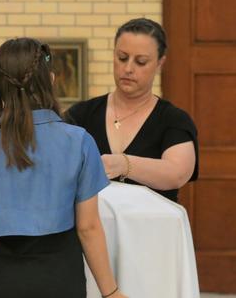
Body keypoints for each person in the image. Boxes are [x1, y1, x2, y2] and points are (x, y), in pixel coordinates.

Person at [0, 38, 127, 298]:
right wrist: (110, 292)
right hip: (62, 279)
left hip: (5, 281)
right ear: (52, 80)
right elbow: (88, 227)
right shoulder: (79, 141)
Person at [65, 18, 199, 202]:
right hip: (90, 227)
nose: (128, 68)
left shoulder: (174, 120)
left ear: (160, 63)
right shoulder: (81, 114)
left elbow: (177, 174)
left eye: (141, 62)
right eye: (122, 58)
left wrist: (124, 164)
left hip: (151, 227)